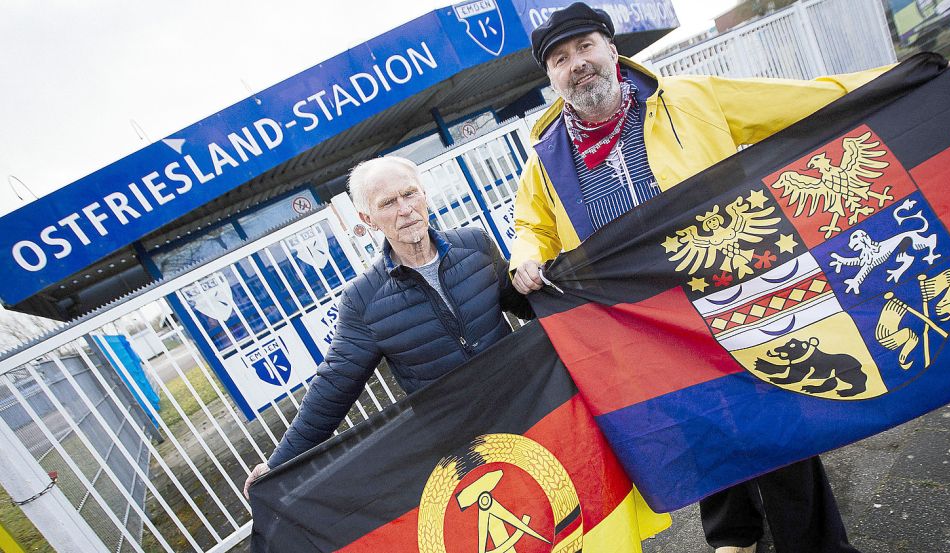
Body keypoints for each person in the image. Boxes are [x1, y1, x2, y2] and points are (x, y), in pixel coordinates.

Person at [509, 3, 895, 553]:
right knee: (700, 425)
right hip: (646, 320)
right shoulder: (546, 161)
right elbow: (532, 227)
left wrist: (896, 79)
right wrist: (525, 255)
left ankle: (811, 543)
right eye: (561, 59)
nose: (577, 65)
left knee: (776, 414)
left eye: (585, 48)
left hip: (733, 288)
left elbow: (801, 101)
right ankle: (734, 534)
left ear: (612, 50)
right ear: (551, 77)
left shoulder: (692, 99)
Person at [244, 156, 532, 497]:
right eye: (388, 203)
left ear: (424, 194)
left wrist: (542, 277)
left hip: (531, 405)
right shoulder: (363, 299)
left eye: (410, 194)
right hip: (466, 447)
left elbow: (526, 303)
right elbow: (334, 384)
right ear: (368, 220)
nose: (405, 209)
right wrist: (279, 465)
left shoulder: (475, 244)